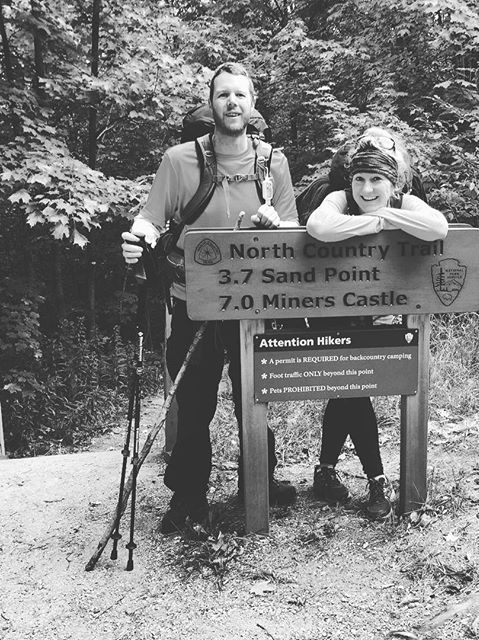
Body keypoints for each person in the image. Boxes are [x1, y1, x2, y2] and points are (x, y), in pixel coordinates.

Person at [121, 62, 299, 534]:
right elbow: (150, 219)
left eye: (241, 95)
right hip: (192, 302)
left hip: (254, 308)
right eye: (224, 95)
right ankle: (188, 497)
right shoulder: (179, 161)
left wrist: (273, 228)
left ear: (253, 102)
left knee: (254, 399)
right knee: (195, 404)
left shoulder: (273, 164)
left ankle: (258, 481)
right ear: (211, 102)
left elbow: (292, 231)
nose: (233, 103)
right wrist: (135, 241)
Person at [305, 130, 449, 519]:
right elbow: (319, 227)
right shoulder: (338, 197)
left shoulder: (405, 200)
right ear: (350, 179)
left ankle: (327, 471)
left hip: (373, 306)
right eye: (360, 179)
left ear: (393, 180)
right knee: (351, 387)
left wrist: (384, 214)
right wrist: (376, 224)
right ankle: (376, 479)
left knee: (347, 386)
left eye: (377, 181)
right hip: (328, 306)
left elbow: (438, 227)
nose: (367, 189)